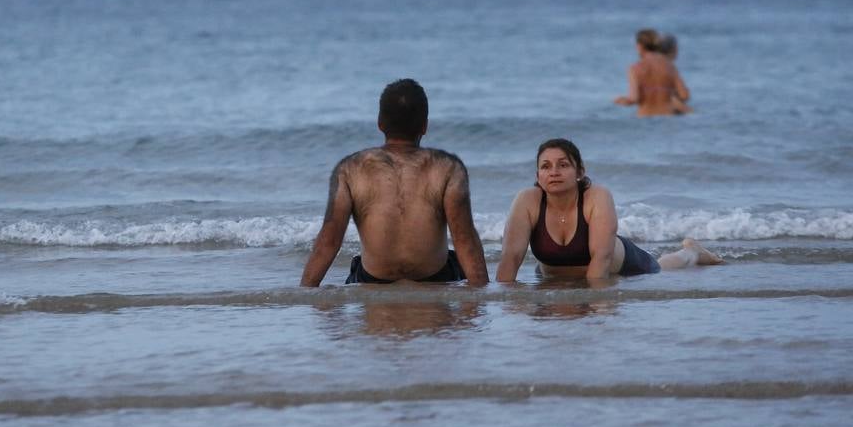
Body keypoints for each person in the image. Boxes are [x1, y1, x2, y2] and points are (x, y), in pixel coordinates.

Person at [300, 79, 490, 286]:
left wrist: (304, 293)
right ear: (425, 126)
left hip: (372, 279)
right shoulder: (448, 168)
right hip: (436, 277)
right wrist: (482, 298)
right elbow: (464, 240)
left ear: (380, 124)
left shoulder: (349, 169)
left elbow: (329, 241)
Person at [496, 138, 721, 284]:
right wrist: (499, 303)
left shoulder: (597, 196)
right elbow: (510, 258)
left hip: (620, 267)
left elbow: (602, 259)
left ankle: (691, 252)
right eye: (545, 166)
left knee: (662, 267)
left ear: (579, 172)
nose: (554, 171)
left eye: (563, 165)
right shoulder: (527, 200)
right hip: (555, 277)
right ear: (538, 177)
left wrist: (590, 305)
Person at [614, 28, 690, 116]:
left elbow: (633, 99)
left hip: (645, 120)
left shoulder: (635, 68)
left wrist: (621, 101)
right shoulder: (670, 66)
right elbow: (684, 95)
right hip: (667, 120)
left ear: (639, 46)